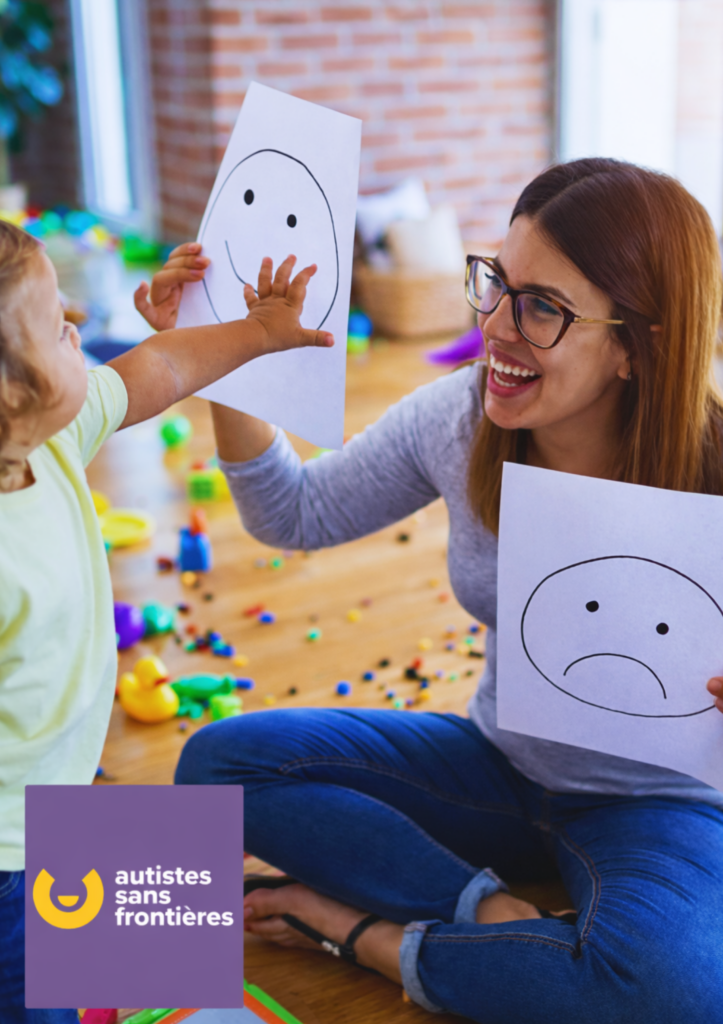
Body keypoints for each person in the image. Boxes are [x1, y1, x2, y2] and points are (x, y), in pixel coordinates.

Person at [152, 159, 723, 1022]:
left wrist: (360, 930)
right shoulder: (460, 418)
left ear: (636, 348)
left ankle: (360, 930)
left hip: (659, 810)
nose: (493, 326)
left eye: (542, 308)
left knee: (675, 992)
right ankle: (488, 915)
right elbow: (290, 513)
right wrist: (228, 357)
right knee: (216, 764)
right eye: (496, 281)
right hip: (495, 765)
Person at [0, 223, 332, 1022]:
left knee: (163, 939)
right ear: (12, 392)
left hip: (57, 797)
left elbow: (160, 365)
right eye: (56, 326)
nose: (77, 324)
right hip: (11, 852)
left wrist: (257, 333)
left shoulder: (53, 439)